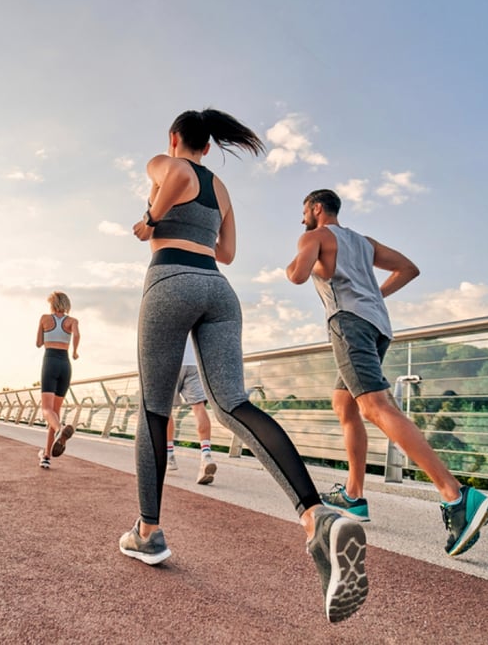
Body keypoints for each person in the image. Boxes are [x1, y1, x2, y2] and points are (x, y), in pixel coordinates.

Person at [121, 109, 368, 623]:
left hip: (170, 281)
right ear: (210, 146)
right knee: (233, 403)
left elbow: (163, 196)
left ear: (174, 139)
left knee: (153, 410)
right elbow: (228, 252)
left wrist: (149, 220)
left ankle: (147, 532)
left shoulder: (166, 163)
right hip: (219, 290)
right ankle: (316, 516)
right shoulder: (223, 189)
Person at [286, 188, 488, 556]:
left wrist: (306, 258)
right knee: (344, 405)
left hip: (348, 324)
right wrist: (374, 294)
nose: (302, 218)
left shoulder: (314, 236)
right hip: (377, 325)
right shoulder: (364, 242)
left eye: (304, 211)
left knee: (375, 407)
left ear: (317, 208)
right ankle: (354, 494)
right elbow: (409, 268)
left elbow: (296, 276)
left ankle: (457, 495)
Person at [35, 291, 80, 468]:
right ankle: (46, 455)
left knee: (46, 409)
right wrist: (75, 351)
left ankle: (60, 430)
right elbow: (76, 335)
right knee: (55, 412)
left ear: (52, 304)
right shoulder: (72, 321)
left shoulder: (45, 319)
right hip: (66, 364)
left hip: (50, 361)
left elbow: (38, 343)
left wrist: (46, 333)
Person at [166, 334, 218, 485]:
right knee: (199, 408)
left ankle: (169, 456)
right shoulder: (193, 310)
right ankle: (206, 454)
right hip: (194, 363)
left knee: (165, 409)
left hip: (172, 361)